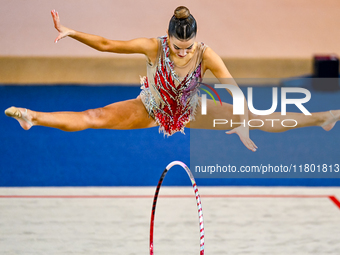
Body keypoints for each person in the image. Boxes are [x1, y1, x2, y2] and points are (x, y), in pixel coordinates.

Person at [4, 6, 340, 152]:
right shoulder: (154, 47)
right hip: (150, 108)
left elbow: (234, 89)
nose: (182, 53)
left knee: (258, 118)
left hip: (192, 109)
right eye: (177, 47)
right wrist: (72, 32)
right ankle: (34, 118)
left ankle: (322, 118)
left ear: (196, 39)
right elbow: (108, 44)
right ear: (168, 38)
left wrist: (241, 121)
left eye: (188, 47)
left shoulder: (207, 54)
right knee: (94, 116)